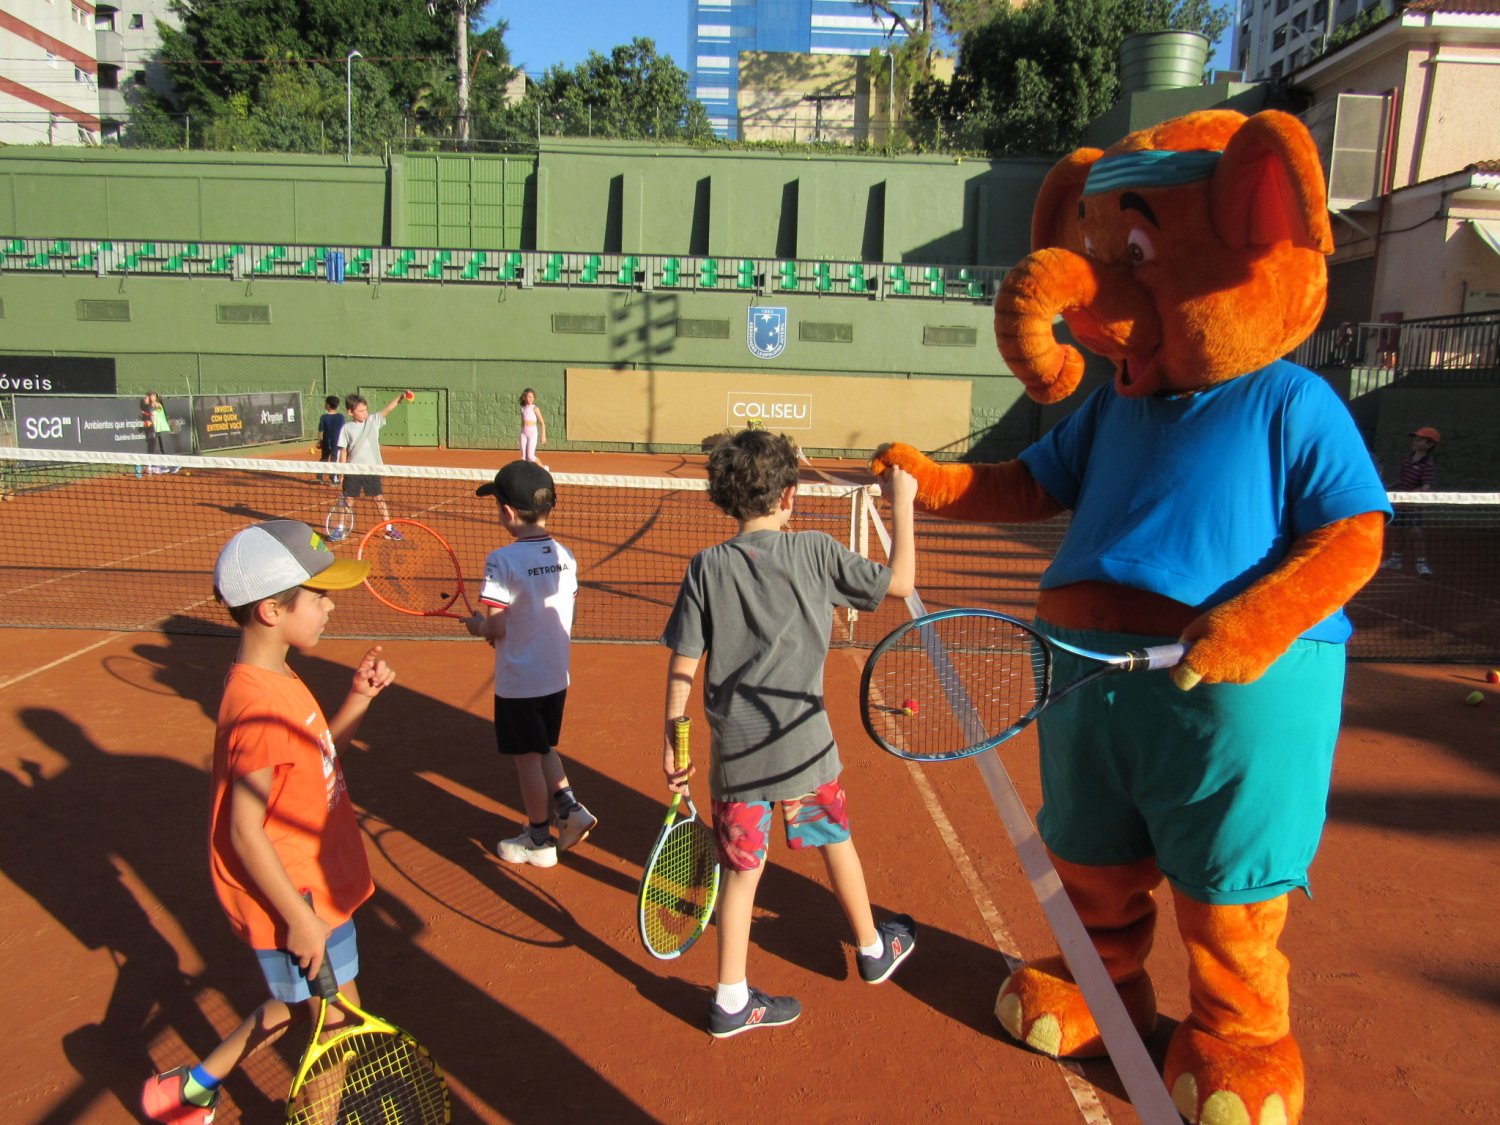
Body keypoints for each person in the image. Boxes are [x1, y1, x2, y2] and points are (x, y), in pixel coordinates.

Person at [660, 429, 919, 1038]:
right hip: (806, 747)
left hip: (738, 758)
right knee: (834, 839)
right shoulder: (816, 551)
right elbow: (901, 583)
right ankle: (872, 948)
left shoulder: (705, 567)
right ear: (789, 496)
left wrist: (673, 737)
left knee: (741, 873)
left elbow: (683, 664)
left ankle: (730, 999)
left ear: (726, 498)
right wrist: (902, 504)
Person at [141, 519, 395, 1124]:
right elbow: (243, 829)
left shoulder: (278, 675)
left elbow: (316, 756)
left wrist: (358, 700)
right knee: (336, 1024)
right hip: (297, 894)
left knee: (297, 1002)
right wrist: (300, 919)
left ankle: (190, 1090)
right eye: (319, 596)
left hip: (315, 885)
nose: (331, 607)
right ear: (271, 611)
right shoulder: (257, 707)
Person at [465, 460, 596, 867]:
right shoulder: (565, 555)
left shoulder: (500, 560)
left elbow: (497, 626)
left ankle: (539, 841)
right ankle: (570, 809)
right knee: (542, 746)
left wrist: (478, 626)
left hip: (519, 681)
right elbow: (563, 612)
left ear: (507, 511)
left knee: (526, 761)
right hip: (555, 676)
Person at [338, 391, 410, 541]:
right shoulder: (346, 428)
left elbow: (388, 408)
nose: (365, 413)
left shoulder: (373, 421)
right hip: (353, 470)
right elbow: (343, 451)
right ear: (350, 412)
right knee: (348, 500)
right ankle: (340, 528)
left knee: (378, 498)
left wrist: (401, 396)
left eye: (366, 410)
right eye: (361, 411)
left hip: (372, 469)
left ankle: (389, 528)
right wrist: (341, 472)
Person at [1381, 425, 1440, 576]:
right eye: (1416, 438)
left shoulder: (1427, 464)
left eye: (1420, 439)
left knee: (1416, 532)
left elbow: (1426, 487)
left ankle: (1422, 563)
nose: (1415, 441)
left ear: (1429, 444)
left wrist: (1411, 495)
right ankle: (1396, 559)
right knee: (1398, 531)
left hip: (1414, 504)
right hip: (1400, 502)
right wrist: (1387, 488)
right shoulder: (1408, 459)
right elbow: (1402, 480)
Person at [140, 393, 179, 474]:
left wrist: (152, 399)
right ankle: (164, 467)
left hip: (163, 429)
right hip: (157, 431)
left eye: (146, 398)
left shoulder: (158, 405)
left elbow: (156, 405)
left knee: (167, 449)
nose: (144, 399)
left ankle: (176, 465)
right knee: (159, 449)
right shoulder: (149, 410)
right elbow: (152, 420)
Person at [316, 394, 345, 486]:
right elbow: (343, 430)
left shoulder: (323, 417)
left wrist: (319, 441)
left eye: (325, 403)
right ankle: (333, 479)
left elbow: (321, 431)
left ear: (328, 405)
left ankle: (320, 478)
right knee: (334, 460)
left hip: (326, 442)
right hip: (337, 443)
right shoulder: (341, 417)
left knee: (324, 459)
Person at [518, 388, 547, 467]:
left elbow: (542, 422)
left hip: (532, 433)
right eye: (529, 397)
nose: (531, 399)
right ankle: (526, 473)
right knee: (523, 457)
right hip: (523, 434)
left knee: (531, 456)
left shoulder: (535, 409)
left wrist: (543, 436)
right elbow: (522, 422)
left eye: (532, 397)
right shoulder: (522, 409)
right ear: (524, 397)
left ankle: (543, 469)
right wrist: (521, 433)